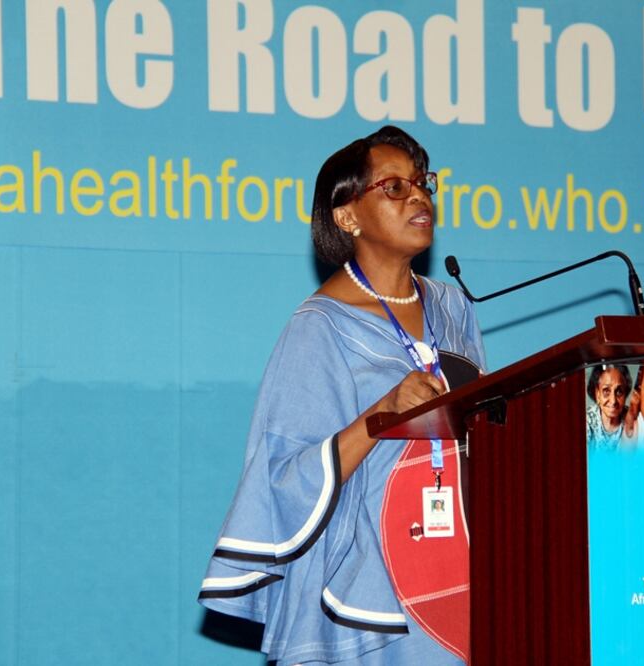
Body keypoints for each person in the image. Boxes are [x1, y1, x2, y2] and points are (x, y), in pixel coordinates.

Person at [198, 126, 485, 664]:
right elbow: (280, 476)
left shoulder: (454, 309)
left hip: (456, 565)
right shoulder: (319, 327)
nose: (419, 196)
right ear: (347, 216)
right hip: (368, 580)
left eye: (423, 183)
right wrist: (381, 414)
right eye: (394, 187)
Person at [586, 364, 630, 449]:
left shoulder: (635, 421)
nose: (613, 401)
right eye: (606, 391)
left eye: (619, 392)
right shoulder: (586, 422)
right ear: (597, 394)